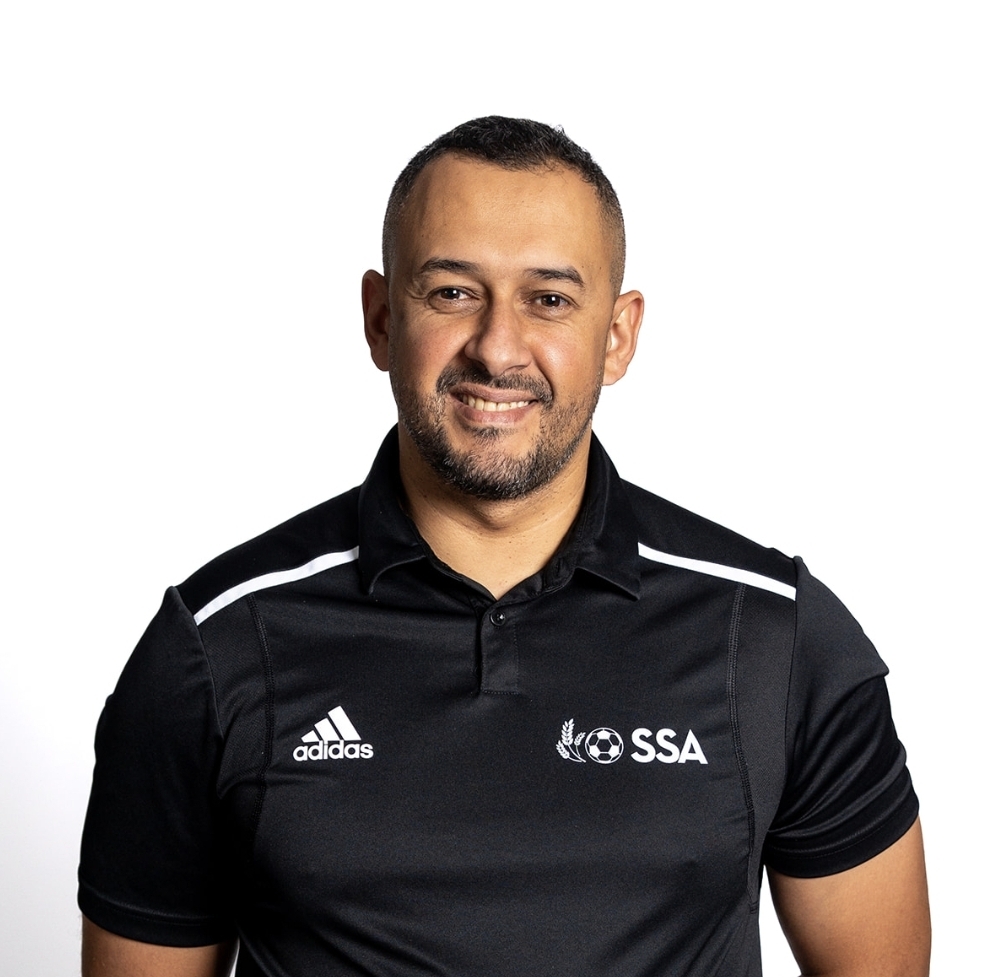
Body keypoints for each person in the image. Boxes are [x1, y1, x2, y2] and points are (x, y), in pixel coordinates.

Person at [79, 116, 930, 977]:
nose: (496, 348)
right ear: (380, 319)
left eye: (548, 299)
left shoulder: (776, 638)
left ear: (617, 335)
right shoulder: (212, 647)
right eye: (452, 292)